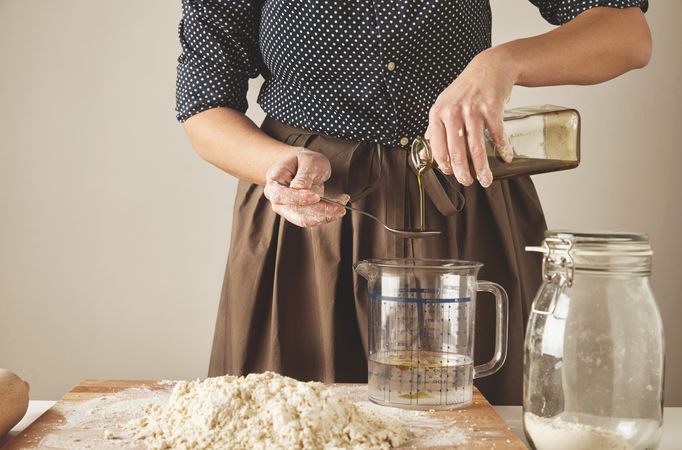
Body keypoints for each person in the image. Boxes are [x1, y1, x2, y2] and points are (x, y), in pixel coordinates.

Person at [176, 0, 651, 405]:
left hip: (466, 206)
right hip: (311, 221)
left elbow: (627, 34)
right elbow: (204, 104)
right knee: (290, 420)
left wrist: (503, 63)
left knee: (483, 417)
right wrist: (276, 164)